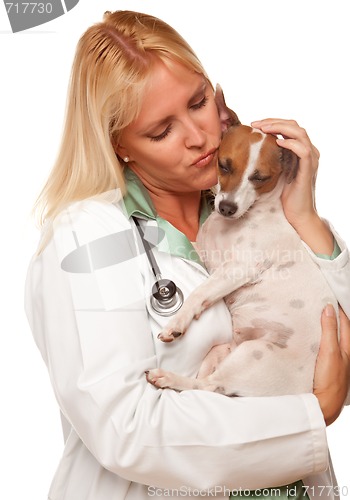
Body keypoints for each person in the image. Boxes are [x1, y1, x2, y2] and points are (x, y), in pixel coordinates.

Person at [25, 10, 350, 500]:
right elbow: (128, 430)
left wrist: (306, 219)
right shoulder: (86, 238)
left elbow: (333, 341)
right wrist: (314, 409)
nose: (199, 137)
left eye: (199, 103)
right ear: (119, 145)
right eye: (161, 131)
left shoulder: (254, 203)